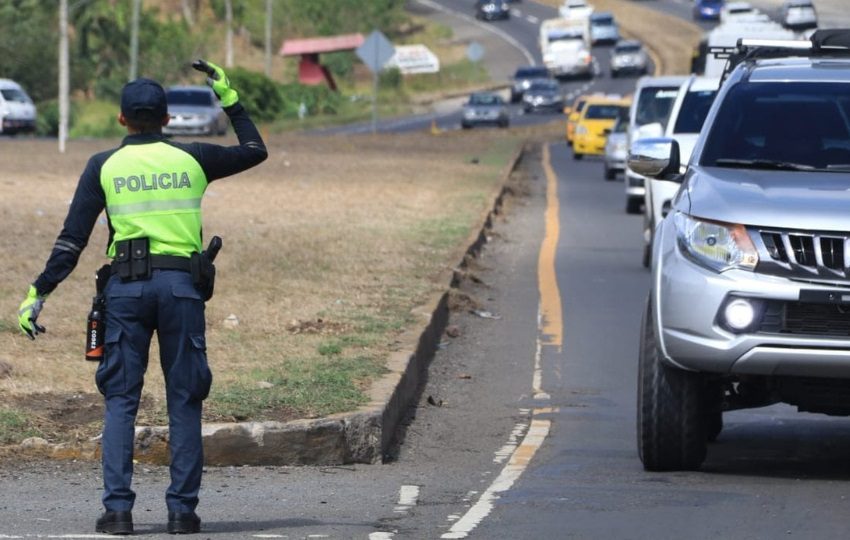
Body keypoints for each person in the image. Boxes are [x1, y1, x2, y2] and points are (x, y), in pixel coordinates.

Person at [16, 60, 267, 535]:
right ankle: (181, 513)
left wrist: (38, 292)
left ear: (122, 120)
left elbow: (72, 241)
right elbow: (255, 149)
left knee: (120, 402)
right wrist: (228, 97)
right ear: (168, 119)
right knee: (185, 400)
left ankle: (117, 512)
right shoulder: (193, 157)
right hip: (181, 290)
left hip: (125, 293)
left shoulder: (104, 165)